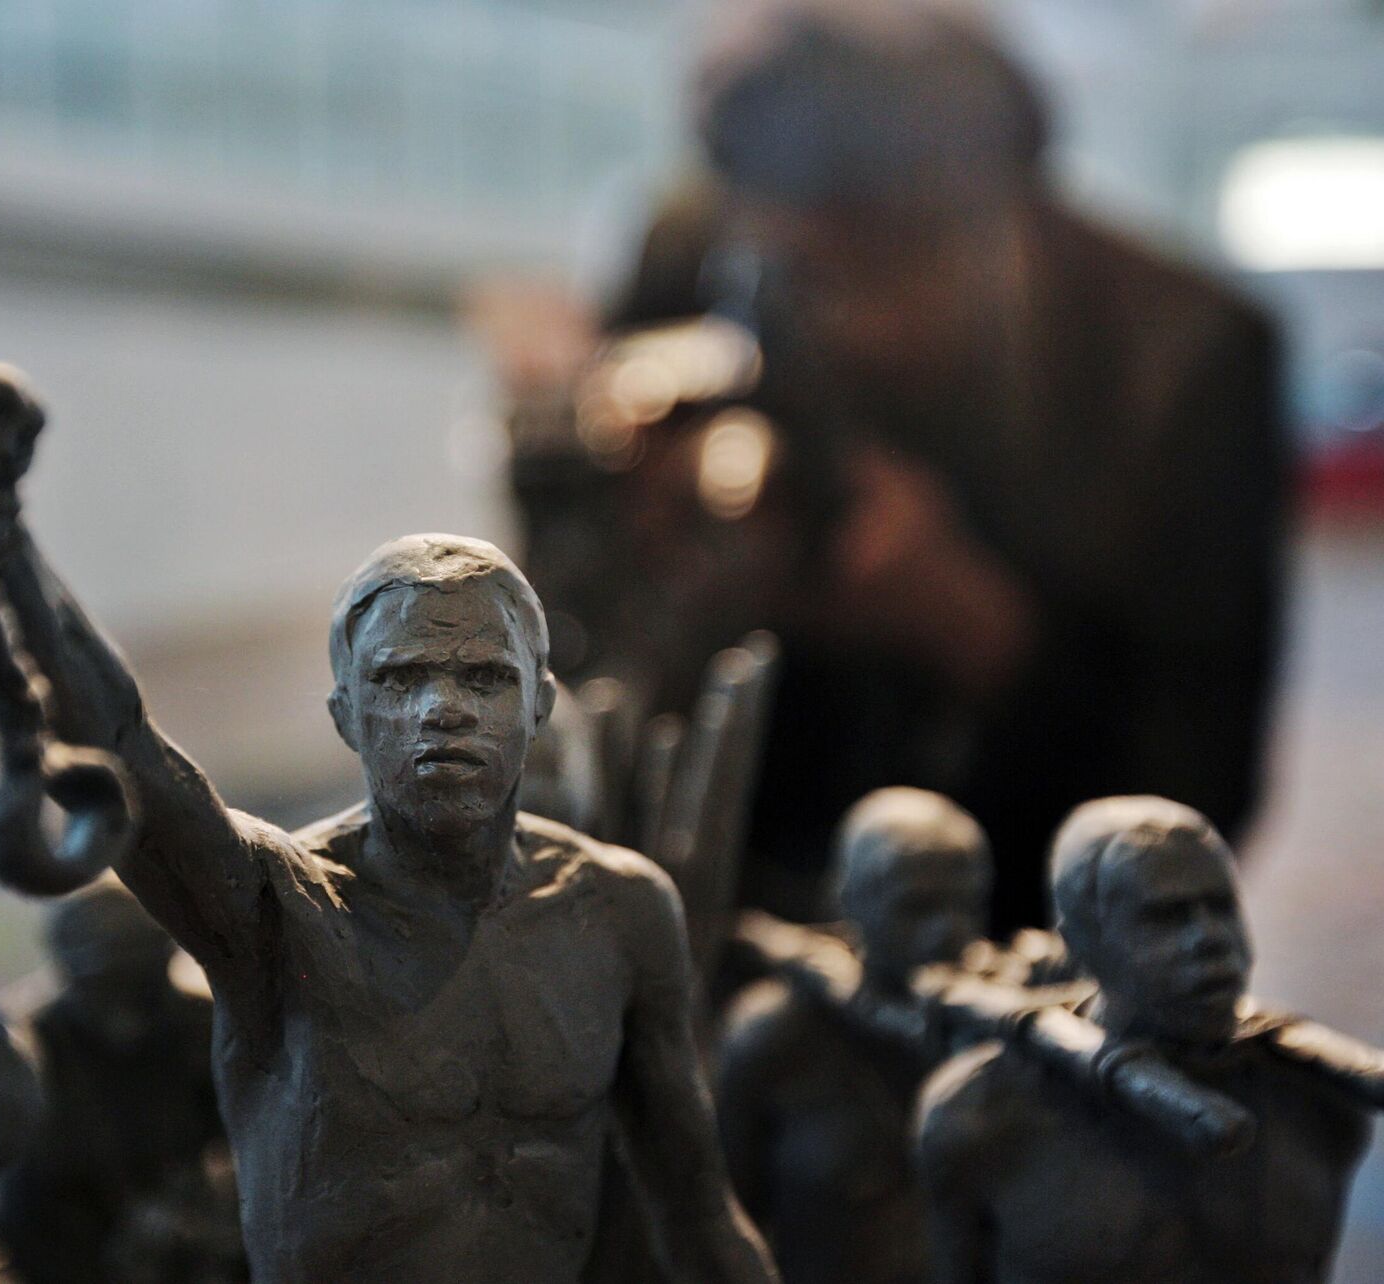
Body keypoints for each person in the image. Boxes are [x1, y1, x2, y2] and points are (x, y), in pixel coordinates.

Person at [0, 364, 780, 1284]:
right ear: (344, 714)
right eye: (399, 680)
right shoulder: (275, 908)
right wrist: (0, 543)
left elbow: (698, 1216)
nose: (441, 710)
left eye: (482, 678)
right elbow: (120, 743)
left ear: (538, 706)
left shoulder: (621, 914)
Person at [538, 0, 1289, 929]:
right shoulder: (696, 261)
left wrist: (978, 630)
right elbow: (556, 676)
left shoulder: (1183, 357)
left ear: (1011, 216)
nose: (856, 319)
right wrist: (642, 551)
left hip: (1021, 957)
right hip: (720, 920)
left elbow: (1196, 800)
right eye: (807, 273)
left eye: (898, 262)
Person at [916, 797, 1371, 1283]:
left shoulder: (1319, 1102)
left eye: (1222, 908)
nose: (1209, 939)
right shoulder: (981, 1119)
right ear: (1082, 944)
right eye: (1165, 917)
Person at [716, 788, 990, 1284]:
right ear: (845, 897)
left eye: (965, 906)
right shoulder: (775, 1036)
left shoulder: (997, 1037)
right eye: (916, 907)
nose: (947, 933)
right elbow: (718, 1223)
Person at [0, 876, 245, 1284]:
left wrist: (202, 1205)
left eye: (140, 982)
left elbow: (252, 1143)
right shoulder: (32, 1049)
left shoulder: (207, 1029)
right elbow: (14, 1202)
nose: (125, 1009)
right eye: (109, 984)